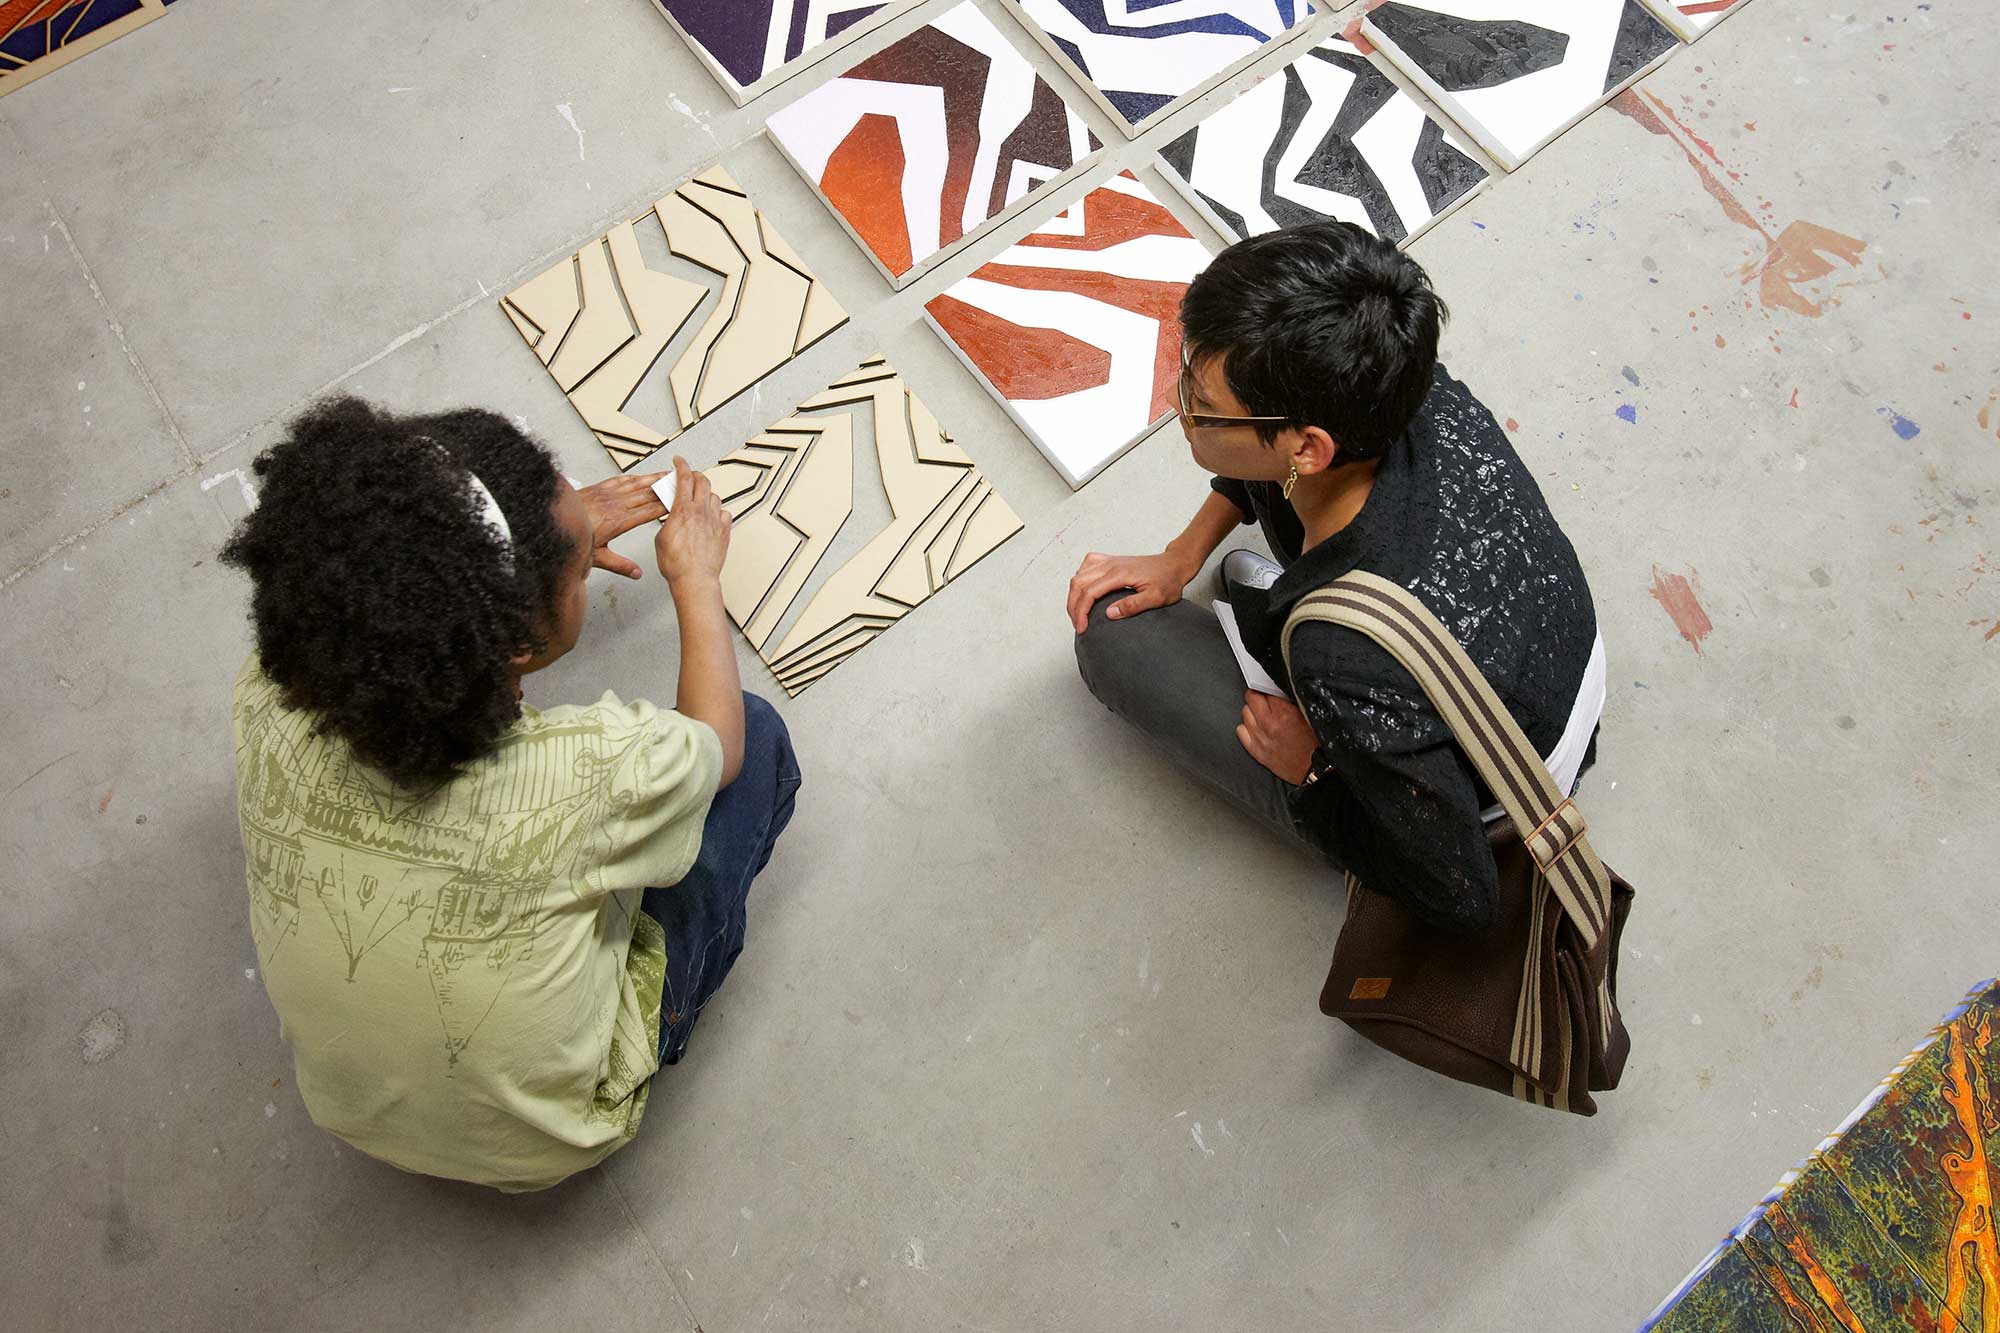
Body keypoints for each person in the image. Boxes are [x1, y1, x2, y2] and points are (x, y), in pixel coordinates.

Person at [221, 398, 800, 1192]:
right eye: (571, 565)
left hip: (349, 1103)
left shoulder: (271, 685)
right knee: (759, 741)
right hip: (545, 1134)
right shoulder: (592, 770)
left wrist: (540, 545)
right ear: (520, 642)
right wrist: (696, 578)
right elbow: (720, 747)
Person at [1068, 221, 1604, 936]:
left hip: (1502, 783)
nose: (1176, 401)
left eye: (1201, 399)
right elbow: (1271, 452)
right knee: (1273, 490)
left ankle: (1307, 700)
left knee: (1113, 639)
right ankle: (1274, 604)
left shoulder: (1343, 658)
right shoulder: (1400, 383)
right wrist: (1181, 554)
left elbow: (1462, 892)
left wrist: (1314, 769)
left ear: (1309, 448)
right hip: (1546, 665)